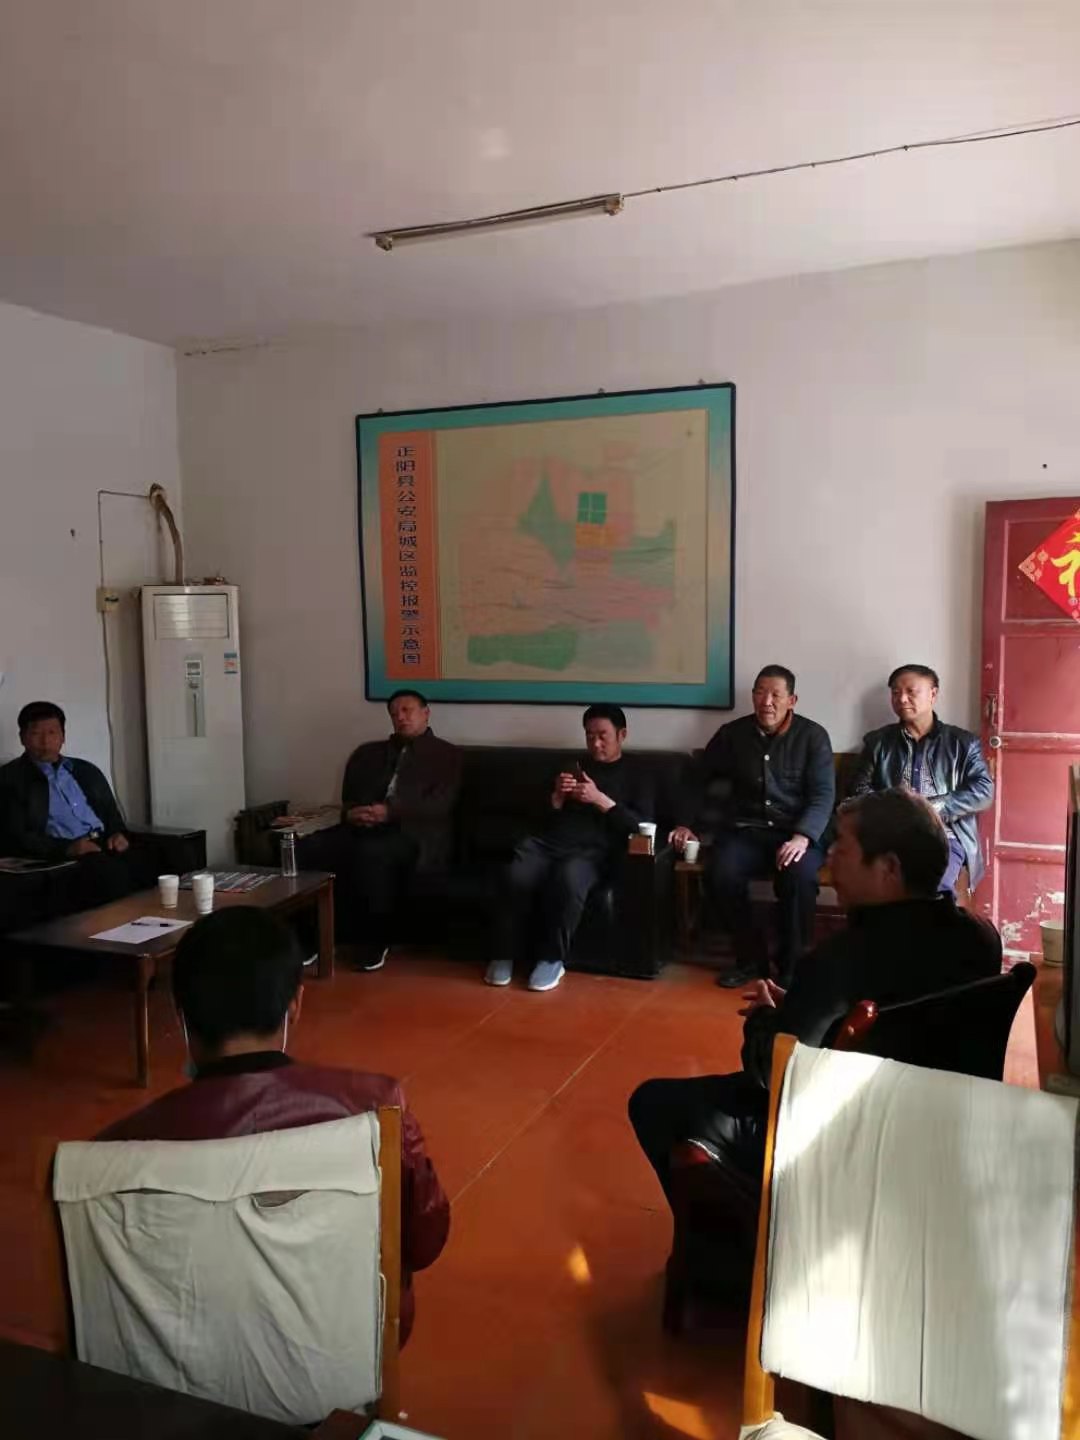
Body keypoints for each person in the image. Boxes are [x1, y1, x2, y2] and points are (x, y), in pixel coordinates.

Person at [629, 790, 1003, 1213]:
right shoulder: (981, 938)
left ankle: (741, 1229)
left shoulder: (838, 961)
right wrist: (806, 1005)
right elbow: (899, 1007)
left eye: (843, 846)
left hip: (844, 1131)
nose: (829, 857)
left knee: (653, 1102)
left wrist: (764, 1016)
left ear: (889, 868)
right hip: (940, 1127)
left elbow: (771, 1075)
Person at [98, 907, 449, 1345]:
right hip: (347, 1348)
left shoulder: (113, 1151)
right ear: (295, 1005)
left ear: (180, 1013)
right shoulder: (376, 1110)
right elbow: (424, 1241)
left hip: (190, 1358)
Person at [671, 665, 835, 989]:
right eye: (760, 693)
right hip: (746, 831)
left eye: (776, 695)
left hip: (795, 833)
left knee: (799, 878)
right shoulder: (732, 735)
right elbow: (696, 780)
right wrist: (684, 823)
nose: (767, 702)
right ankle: (750, 959)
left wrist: (802, 837)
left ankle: (792, 967)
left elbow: (823, 794)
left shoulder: (813, 737)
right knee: (721, 874)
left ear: (792, 700)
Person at [485, 704, 655, 993]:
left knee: (568, 878)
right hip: (548, 843)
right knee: (514, 875)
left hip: (592, 851)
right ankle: (503, 954)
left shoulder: (639, 773)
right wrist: (557, 797)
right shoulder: (571, 766)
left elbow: (641, 825)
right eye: (589, 736)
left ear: (622, 734)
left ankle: (552, 959)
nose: (595, 743)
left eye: (602, 735)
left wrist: (600, 800)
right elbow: (537, 817)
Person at [301, 690, 462, 972]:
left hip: (415, 834)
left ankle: (374, 940)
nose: (401, 717)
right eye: (395, 713)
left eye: (407, 710)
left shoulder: (447, 755)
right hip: (365, 826)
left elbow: (440, 805)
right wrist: (351, 813)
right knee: (309, 847)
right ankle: (314, 936)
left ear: (426, 713)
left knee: (371, 854)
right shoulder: (369, 754)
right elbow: (350, 799)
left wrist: (390, 812)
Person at [851, 663, 993, 896]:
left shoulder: (963, 743)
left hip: (944, 836)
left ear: (933, 694)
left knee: (930, 889)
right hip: (889, 835)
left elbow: (983, 792)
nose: (902, 699)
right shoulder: (877, 742)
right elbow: (859, 791)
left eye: (911, 692)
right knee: (879, 888)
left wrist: (929, 809)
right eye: (896, 692)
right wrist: (894, 812)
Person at [0, 701, 150, 907]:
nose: (45, 741)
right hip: (65, 852)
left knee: (166, 856)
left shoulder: (85, 770)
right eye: (36, 733)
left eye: (52, 732)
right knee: (109, 873)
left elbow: (110, 813)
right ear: (22, 738)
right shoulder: (10, 779)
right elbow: (17, 835)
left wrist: (118, 833)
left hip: (104, 843)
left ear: (63, 736)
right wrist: (69, 848)